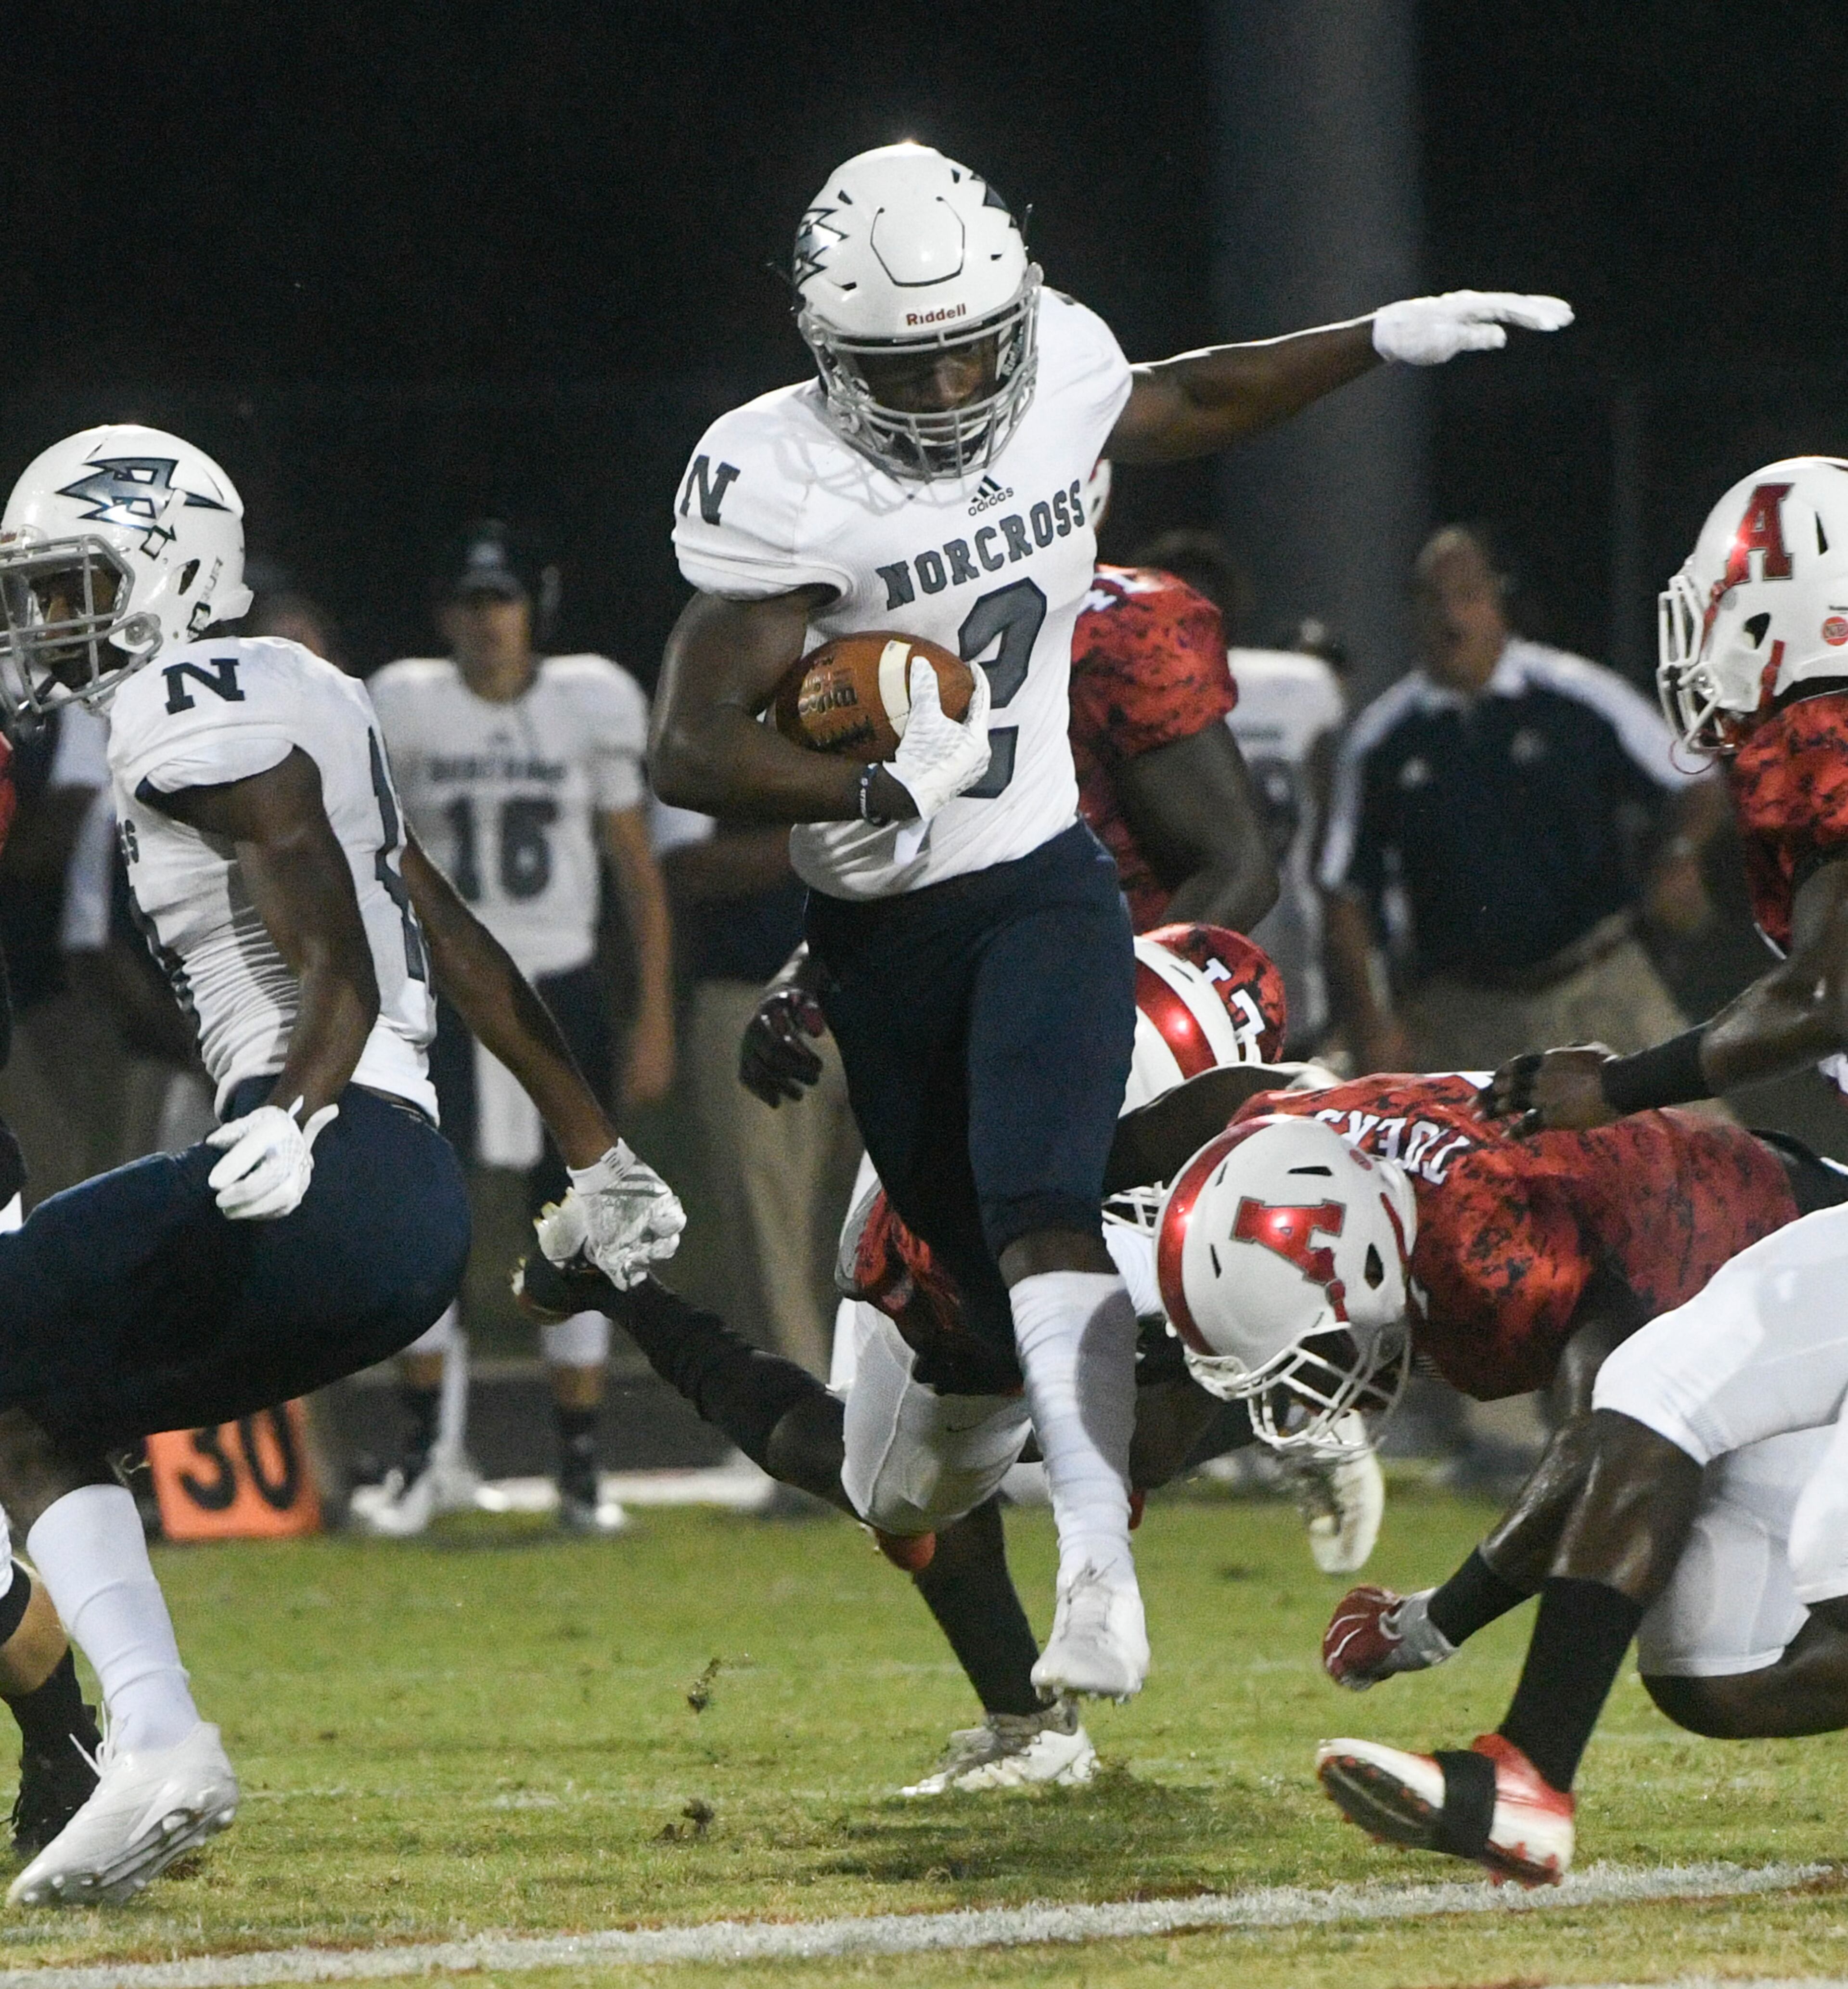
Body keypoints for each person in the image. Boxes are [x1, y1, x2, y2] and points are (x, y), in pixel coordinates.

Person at [653, 137, 1571, 1700]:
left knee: (1038, 1204)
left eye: (968, 354)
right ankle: (1234, 1311)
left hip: (1043, 877)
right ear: (828, 352)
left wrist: (1372, 338)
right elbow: (689, 746)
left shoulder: (1063, 364)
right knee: (938, 1368)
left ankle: (1104, 1559)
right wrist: (867, 791)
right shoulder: (778, 475)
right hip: (885, 930)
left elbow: (1195, 398)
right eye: (906, 367)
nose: (947, 393)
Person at [0, 424, 683, 1905]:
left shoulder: (186, 701)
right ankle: (149, 1744)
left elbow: (323, 932)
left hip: (323, 1164)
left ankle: (146, 1736)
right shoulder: (309, 686)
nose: (46, 626)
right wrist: (595, 1147)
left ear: (173, 572)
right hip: (397, 1197)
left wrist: (292, 1103)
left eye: (73, 587)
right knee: (35, 1419)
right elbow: (446, 936)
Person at [1310, 455, 1848, 1886]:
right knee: (1710, 1643)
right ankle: (1525, 1779)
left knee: (1742, 1455)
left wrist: (1615, 1081)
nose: (1705, 634)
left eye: (1731, 603)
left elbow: (1824, 1000)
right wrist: (1438, 1615)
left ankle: (1526, 1774)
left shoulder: (1831, 733)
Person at [518, 927, 1310, 1794]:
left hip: (1064, 1153)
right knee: (903, 1484)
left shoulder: (1186, 1140)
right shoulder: (1063, 1108)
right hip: (998, 1154)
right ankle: (1280, 1407)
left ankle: (1286, 1400)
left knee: (937, 1468)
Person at [363, 523, 675, 1534]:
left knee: (581, 1218)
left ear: (529, 609)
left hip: (561, 987)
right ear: (446, 613)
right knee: (427, 1225)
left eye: (501, 601)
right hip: (451, 991)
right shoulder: (404, 704)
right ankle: (425, 1457)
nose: (488, 621)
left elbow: (636, 870)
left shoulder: (588, 701)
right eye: (471, 601)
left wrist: (652, 1011)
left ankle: (581, 1469)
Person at [1321, 524, 1724, 1075]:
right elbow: (1345, 892)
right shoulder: (1384, 740)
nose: (1452, 618)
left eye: (1468, 596)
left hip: (1597, 982)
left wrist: (1680, 854)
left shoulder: (1576, 694)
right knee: (1408, 1145)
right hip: (1461, 1005)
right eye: (1433, 600)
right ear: (1411, 613)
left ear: (1498, 602)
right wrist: (1374, 1024)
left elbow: (1697, 778)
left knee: (1696, 1143)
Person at [657, 802, 858, 1378]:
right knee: (772, 1231)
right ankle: (811, 1427)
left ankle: (904, 1418)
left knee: (904, 1223)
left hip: (895, 985)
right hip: (754, 987)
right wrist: (831, 825)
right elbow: (689, 867)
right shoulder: (710, 722)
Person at [1131, 529, 1347, 1052]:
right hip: (1163, 967)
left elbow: (1332, 848)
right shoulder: (1115, 692)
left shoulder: (1298, 691)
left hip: (1288, 972)